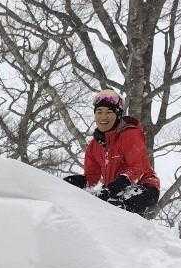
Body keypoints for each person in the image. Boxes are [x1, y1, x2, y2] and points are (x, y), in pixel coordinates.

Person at [64, 90, 162, 219]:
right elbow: (92, 177)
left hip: (145, 188)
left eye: (109, 112)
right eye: (99, 112)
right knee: (96, 206)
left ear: (118, 115)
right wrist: (79, 182)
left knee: (113, 210)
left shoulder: (130, 134)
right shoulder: (94, 145)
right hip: (114, 190)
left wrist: (115, 186)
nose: (103, 117)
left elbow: (138, 167)